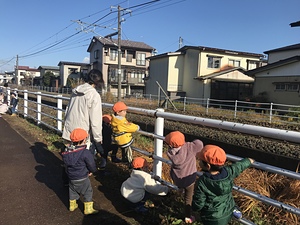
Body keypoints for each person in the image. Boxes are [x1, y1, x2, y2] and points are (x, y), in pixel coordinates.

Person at [192, 144, 255, 225]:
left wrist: (194, 208)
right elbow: (238, 166)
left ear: (208, 166)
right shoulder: (229, 172)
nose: (198, 161)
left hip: (211, 218)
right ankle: (235, 210)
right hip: (227, 210)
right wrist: (248, 160)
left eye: (200, 160)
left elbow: (199, 203)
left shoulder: (202, 182)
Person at [62, 69, 105, 157]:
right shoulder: (94, 95)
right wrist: (98, 137)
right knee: (81, 159)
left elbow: (68, 109)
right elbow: (95, 120)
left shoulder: (75, 91)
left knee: (69, 155)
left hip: (70, 128)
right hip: (82, 132)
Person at [164, 131, 203, 224]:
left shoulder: (170, 153)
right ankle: (188, 217)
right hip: (189, 179)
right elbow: (200, 144)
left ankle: (180, 189)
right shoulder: (190, 147)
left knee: (182, 187)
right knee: (188, 199)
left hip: (177, 178)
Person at [61, 128, 99, 215]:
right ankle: (88, 209)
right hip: (82, 176)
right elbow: (91, 164)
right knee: (87, 191)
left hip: (71, 176)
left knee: (73, 190)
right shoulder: (85, 152)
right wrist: (92, 171)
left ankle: (72, 206)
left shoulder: (67, 151)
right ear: (84, 139)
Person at [111, 101, 139, 165]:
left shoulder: (115, 120)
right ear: (118, 112)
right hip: (125, 141)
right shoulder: (121, 122)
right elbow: (129, 127)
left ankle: (125, 161)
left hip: (119, 140)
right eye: (124, 111)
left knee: (124, 152)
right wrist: (137, 127)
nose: (125, 113)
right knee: (128, 154)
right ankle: (130, 165)